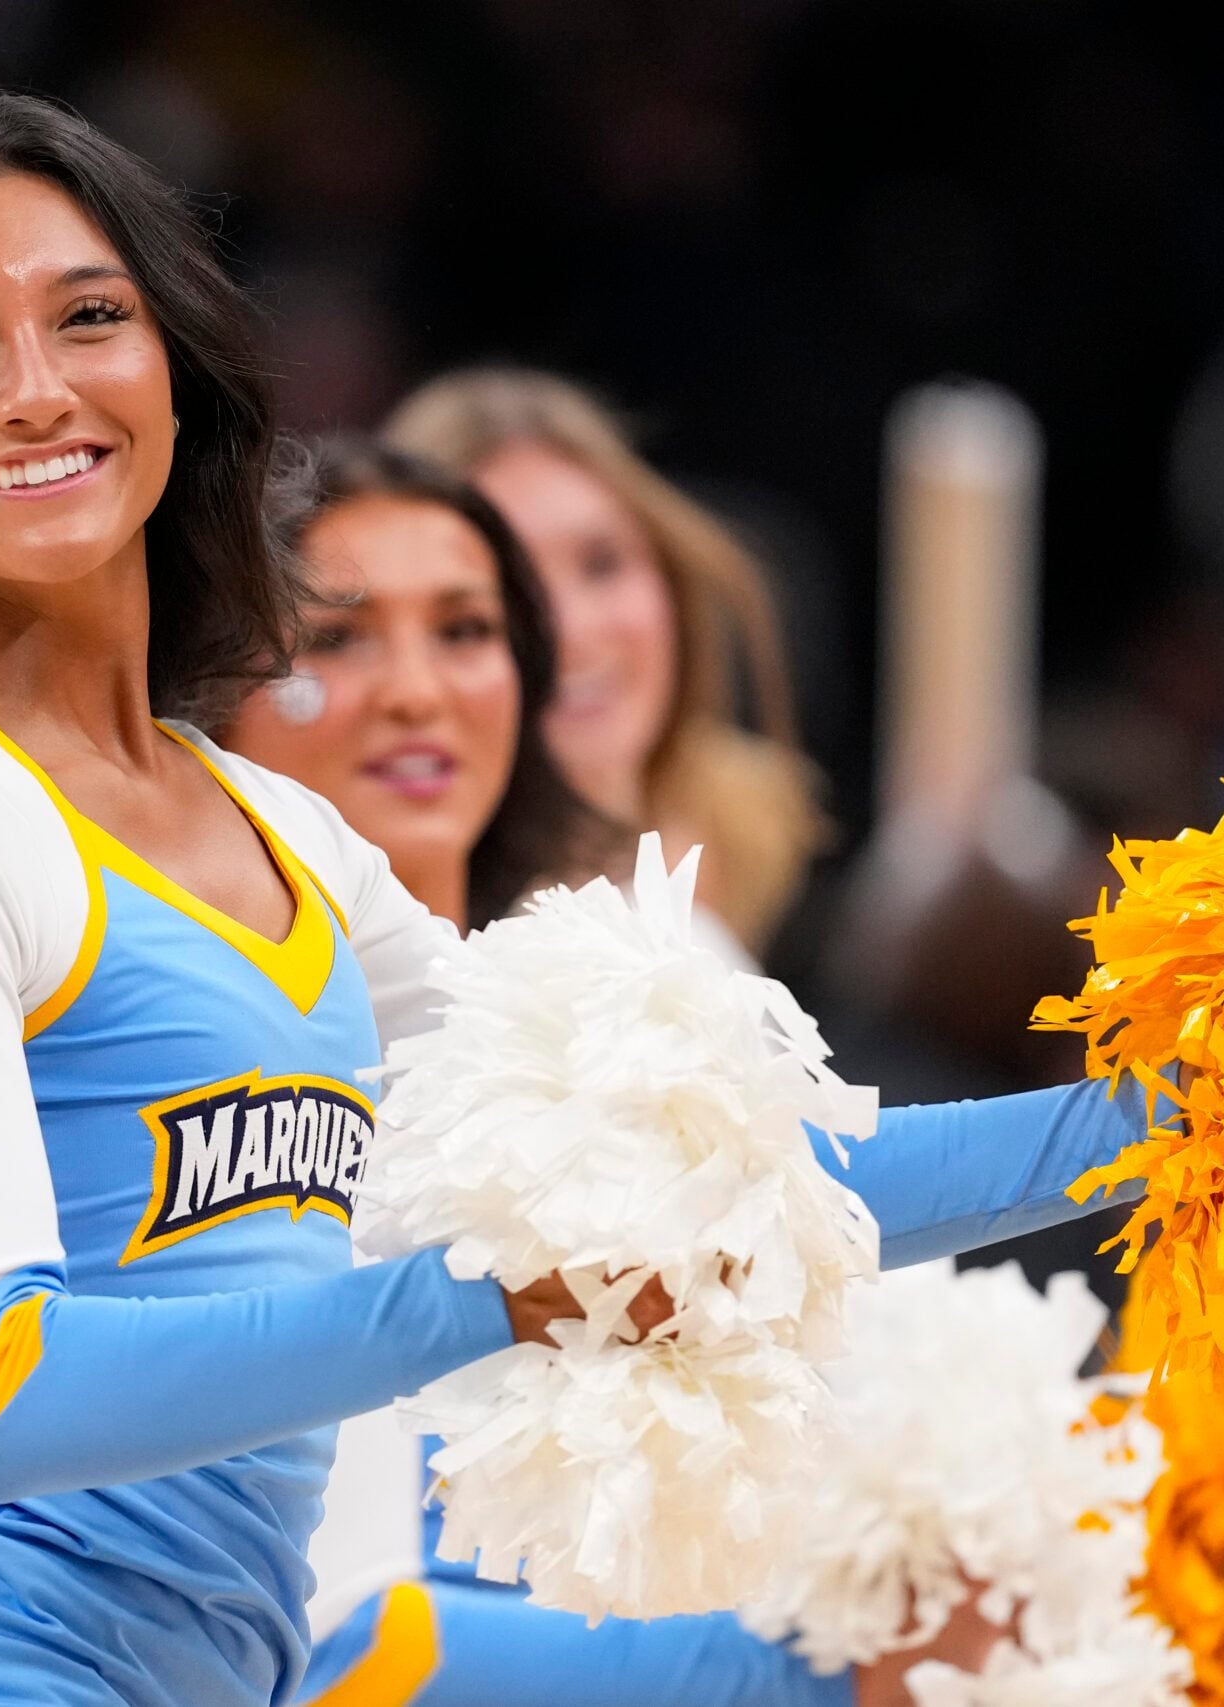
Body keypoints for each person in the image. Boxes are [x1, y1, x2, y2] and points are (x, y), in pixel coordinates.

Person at [0, 90, 1157, 1707]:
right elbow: (1, 1393)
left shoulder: (286, 835)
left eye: (88, 316)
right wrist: (484, 1298)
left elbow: (714, 1187)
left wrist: (1163, 1124)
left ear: (171, 379)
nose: (30, 386)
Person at [221, 440, 1002, 1707]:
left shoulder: (621, 1012)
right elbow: (324, 1640)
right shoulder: (203, 1055)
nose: (416, 689)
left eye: (468, 628)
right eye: (342, 637)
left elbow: (839, 1275)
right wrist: (812, 1679)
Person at [383, 367, 822, 957]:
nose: (572, 630)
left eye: (602, 563)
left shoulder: (762, 832)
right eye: (510, 591)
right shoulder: (402, 940)